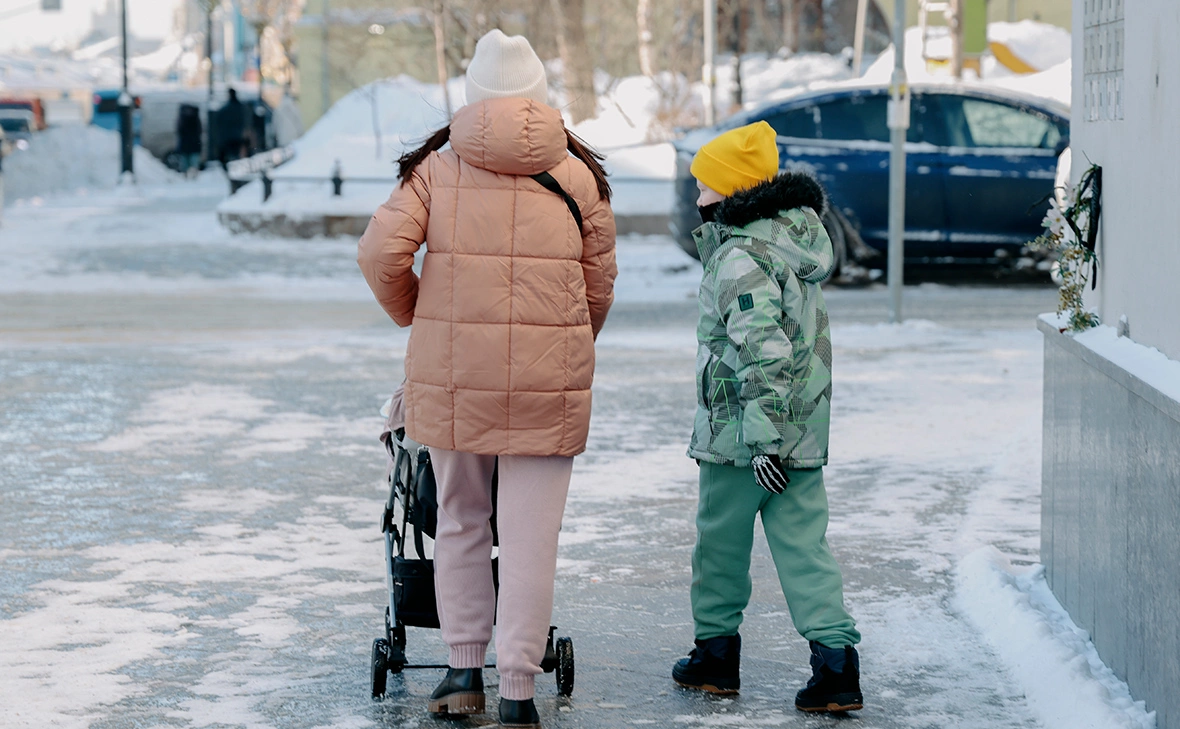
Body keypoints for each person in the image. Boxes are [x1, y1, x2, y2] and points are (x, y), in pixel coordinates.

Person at [357, 29, 616, 729]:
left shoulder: (436, 169)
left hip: (452, 377)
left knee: (463, 520)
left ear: (473, 97)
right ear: (538, 97)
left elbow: (380, 252)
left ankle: (463, 667)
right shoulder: (576, 174)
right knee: (533, 536)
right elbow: (598, 286)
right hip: (548, 383)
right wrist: (561, 347)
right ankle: (518, 693)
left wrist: (418, 315)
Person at [672, 121, 864, 713]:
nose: (697, 198)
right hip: (800, 434)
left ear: (731, 193)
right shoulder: (792, 244)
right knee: (805, 547)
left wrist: (760, 443)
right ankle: (837, 667)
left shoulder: (739, 258)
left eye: (705, 187)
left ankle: (715, 659)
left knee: (721, 547)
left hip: (743, 439)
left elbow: (764, 349)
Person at [216, 88, 248, 166]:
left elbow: (219, 118)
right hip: (238, 135)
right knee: (236, 155)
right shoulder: (240, 107)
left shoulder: (225, 108)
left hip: (228, 136)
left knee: (229, 156)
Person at [175, 103, 203, 179]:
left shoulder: (182, 118)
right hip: (194, 143)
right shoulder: (196, 118)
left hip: (185, 144)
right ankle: (193, 174)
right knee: (194, 161)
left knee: (185, 161)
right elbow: (199, 130)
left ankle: (186, 175)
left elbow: (179, 131)